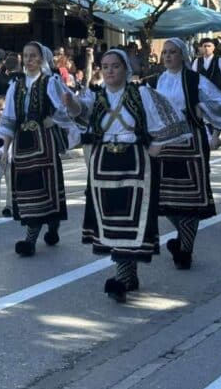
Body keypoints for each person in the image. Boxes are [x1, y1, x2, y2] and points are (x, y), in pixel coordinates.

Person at [64, 48, 190, 304]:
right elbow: (83, 114)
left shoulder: (141, 93)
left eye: (115, 66)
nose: (109, 71)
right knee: (112, 221)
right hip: (104, 164)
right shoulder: (97, 96)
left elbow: (172, 119)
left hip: (135, 162)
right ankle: (128, 275)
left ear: (125, 69)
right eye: (105, 66)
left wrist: (157, 144)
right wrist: (71, 104)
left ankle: (122, 278)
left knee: (131, 221)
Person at [141, 38, 221, 270]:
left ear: (183, 55)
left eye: (173, 52)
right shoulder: (160, 79)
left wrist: (202, 109)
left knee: (191, 201)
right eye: (165, 53)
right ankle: (183, 240)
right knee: (167, 199)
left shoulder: (194, 79)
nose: (168, 56)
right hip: (166, 145)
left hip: (191, 144)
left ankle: (185, 251)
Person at [0, 42, 76, 256]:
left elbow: (67, 106)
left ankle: (42, 232)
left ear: (42, 59)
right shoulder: (16, 85)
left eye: (33, 56)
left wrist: (54, 119)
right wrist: (5, 149)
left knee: (44, 187)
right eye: (26, 56)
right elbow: (10, 118)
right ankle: (37, 233)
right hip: (23, 142)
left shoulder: (51, 81)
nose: (29, 60)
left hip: (44, 142)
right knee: (26, 187)